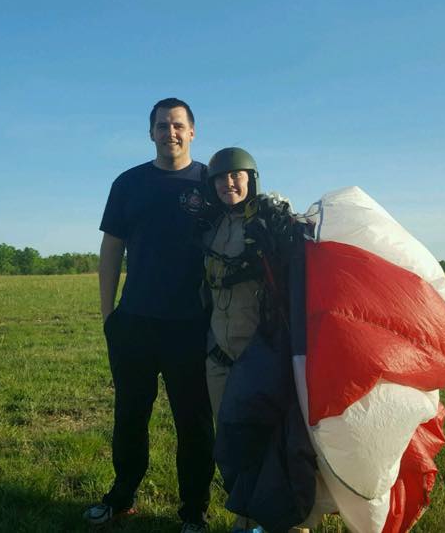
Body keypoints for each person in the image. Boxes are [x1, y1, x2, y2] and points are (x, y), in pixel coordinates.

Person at [85, 98, 214, 532]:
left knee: (194, 423)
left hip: (190, 325)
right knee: (130, 416)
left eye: (178, 125)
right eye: (162, 126)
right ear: (151, 133)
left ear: (192, 131)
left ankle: (194, 509)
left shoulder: (210, 183)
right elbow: (111, 251)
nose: (170, 132)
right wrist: (109, 316)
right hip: (135, 322)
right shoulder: (129, 183)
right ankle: (122, 496)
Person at [200, 147, 314, 533]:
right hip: (219, 357)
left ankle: (287, 522)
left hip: (261, 357)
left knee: (273, 440)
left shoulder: (272, 221)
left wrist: (282, 223)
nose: (228, 183)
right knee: (231, 444)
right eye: (220, 178)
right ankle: (245, 516)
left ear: (251, 179)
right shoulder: (212, 226)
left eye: (236, 176)